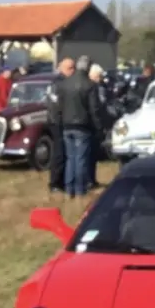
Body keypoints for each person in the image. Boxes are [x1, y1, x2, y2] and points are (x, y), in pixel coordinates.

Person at [56, 55, 101, 202]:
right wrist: (98, 127)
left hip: (66, 125)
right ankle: (80, 190)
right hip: (83, 125)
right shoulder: (90, 85)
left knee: (70, 158)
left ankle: (69, 189)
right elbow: (94, 109)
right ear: (88, 68)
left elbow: (59, 106)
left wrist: (60, 121)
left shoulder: (64, 84)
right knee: (81, 159)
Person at [47, 57, 75, 193]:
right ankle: (55, 182)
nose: (73, 71)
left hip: (56, 120)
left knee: (61, 152)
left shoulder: (57, 82)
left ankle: (60, 180)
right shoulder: (60, 83)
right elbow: (57, 105)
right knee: (59, 153)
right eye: (71, 68)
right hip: (57, 121)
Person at [88, 63, 108, 189]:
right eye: (99, 76)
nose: (101, 79)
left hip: (89, 123)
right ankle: (90, 180)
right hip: (93, 124)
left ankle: (91, 179)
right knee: (91, 154)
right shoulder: (95, 88)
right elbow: (100, 103)